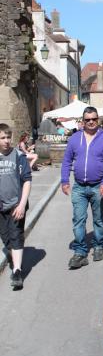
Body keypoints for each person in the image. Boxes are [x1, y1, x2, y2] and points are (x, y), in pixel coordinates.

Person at [61, 106, 103, 268]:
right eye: (87, 120)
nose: (91, 122)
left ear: (97, 119)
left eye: (93, 119)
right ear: (83, 121)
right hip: (79, 187)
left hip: (98, 185)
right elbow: (66, 161)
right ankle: (80, 252)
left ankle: (98, 245)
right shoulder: (75, 138)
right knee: (78, 219)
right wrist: (64, 180)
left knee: (98, 219)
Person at [0, 123, 32, 289]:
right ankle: (14, 256)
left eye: (8, 137)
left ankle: (17, 271)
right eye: (2, 138)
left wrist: (22, 204)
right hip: (1, 206)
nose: (6, 141)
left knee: (16, 235)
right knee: (6, 238)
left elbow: (27, 180)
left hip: (16, 204)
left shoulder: (18, 155)